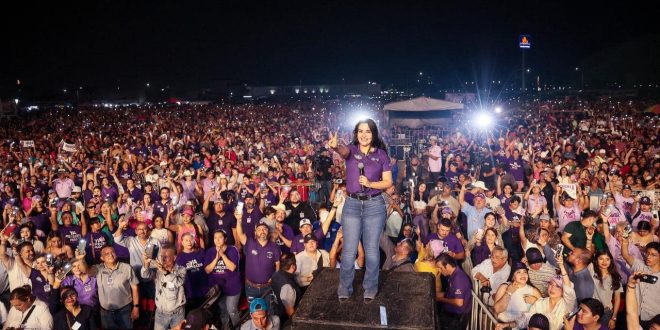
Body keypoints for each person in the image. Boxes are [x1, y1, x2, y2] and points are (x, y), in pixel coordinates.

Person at [328, 119, 393, 302]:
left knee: (372, 250)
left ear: (374, 134)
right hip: (352, 204)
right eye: (360, 131)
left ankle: (370, 288)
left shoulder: (381, 155)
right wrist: (335, 147)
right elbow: (342, 151)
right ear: (356, 133)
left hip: (374, 204)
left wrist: (371, 183)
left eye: (368, 131)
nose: (364, 135)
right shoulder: (351, 150)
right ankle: (345, 289)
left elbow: (388, 182)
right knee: (348, 250)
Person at [79, 245, 139, 330]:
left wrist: (136, 307)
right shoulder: (98, 269)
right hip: (106, 313)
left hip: (125, 310)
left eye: (112, 252)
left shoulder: (127, 268)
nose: (110, 255)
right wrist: (81, 259)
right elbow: (86, 270)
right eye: (106, 254)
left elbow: (135, 288)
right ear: (102, 258)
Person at [141, 245, 187, 330]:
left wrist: (165, 272)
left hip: (177, 313)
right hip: (161, 314)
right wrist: (146, 263)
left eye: (166, 257)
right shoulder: (157, 270)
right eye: (162, 256)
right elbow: (144, 275)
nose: (163, 259)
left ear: (174, 257)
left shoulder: (181, 270)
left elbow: (179, 282)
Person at [204, 229, 241, 328]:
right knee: (223, 311)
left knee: (232, 310)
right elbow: (207, 270)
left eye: (220, 237)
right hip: (219, 289)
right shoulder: (209, 252)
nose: (217, 240)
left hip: (233, 288)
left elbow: (232, 267)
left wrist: (223, 255)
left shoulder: (233, 249)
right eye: (215, 238)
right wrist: (216, 258)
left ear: (225, 239)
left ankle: (237, 327)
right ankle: (226, 328)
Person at [621, 241, 660, 328]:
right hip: (634, 314)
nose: (649, 257)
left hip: (653, 318)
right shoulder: (639, 265)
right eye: (648, 253)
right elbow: (625, 255)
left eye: (654, 255)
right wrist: (624, 241)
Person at [435, 253, 472, 330]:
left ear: (447, 265)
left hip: (456, 317)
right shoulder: (454, 274)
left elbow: (459, 302)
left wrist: (440, 299)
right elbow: (451, 293)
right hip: (451, 313)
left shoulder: (458, 279)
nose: (439, 271)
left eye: (440, 268)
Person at [588, 250, 622, 329]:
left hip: (606, 312)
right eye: (601, 259)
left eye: (607, 259)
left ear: (611, 261)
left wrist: (613, 318)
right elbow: (588, 252)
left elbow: (617, 299)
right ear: (596, 260)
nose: (604, 262)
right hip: (590, 310)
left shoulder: (615, 277)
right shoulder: (592, 268)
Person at [271, 253, 300, 324]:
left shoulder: (276, 274)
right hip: (285, 318)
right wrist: (295, 324)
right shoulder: (287, 286)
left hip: (277, 310)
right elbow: (290, 311)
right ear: (293, 266)